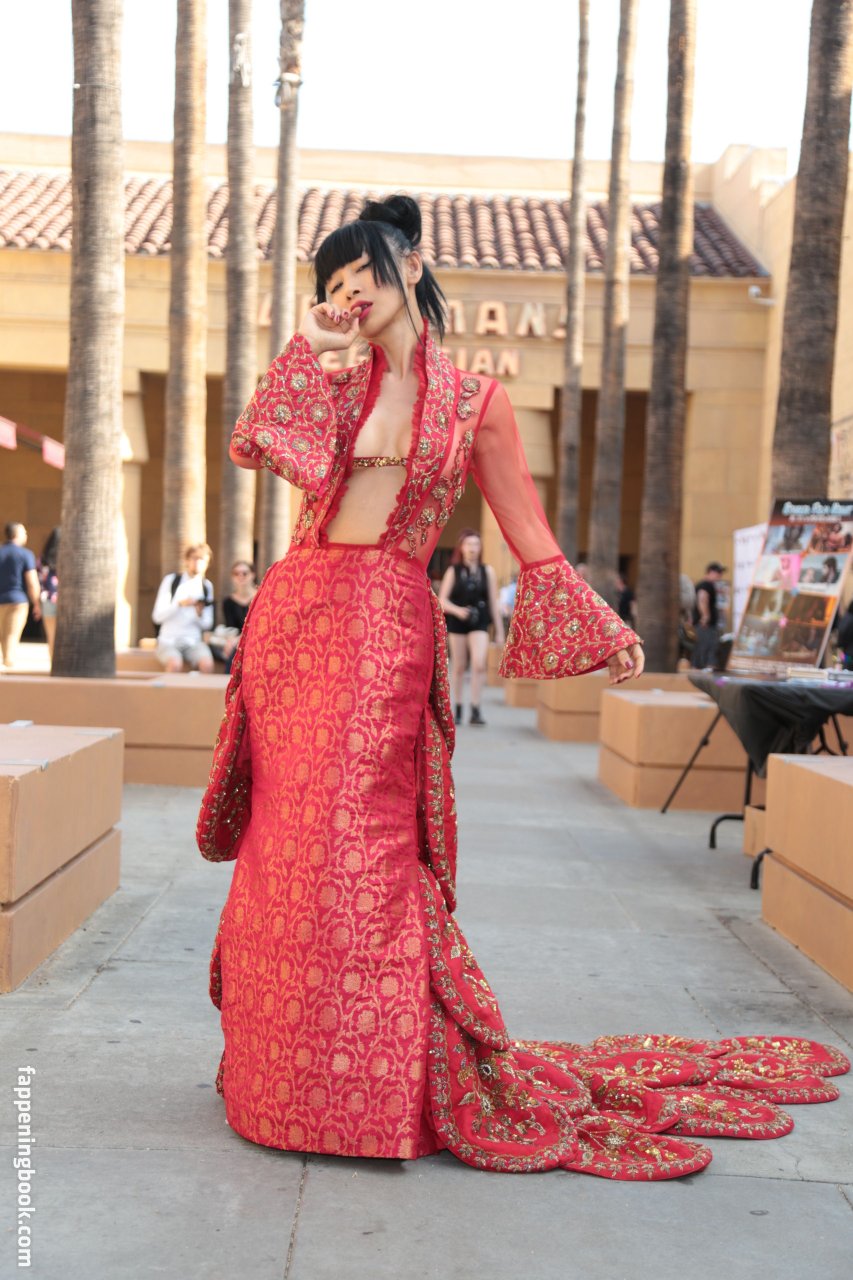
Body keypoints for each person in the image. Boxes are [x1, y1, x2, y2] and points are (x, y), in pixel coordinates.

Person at [197, 196, 846, 1181]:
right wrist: (309, 346)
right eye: (330, 282)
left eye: (360, 271)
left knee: (361, 841)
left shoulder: (476, 402)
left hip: (385, 626)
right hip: (295, 622)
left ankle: (372, 1084)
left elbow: (528, 532)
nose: (347, 292)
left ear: (410, 266)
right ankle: (282, 1074)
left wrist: (603, 628)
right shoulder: (330, 380)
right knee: (289, 846)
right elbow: (261, 446)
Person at [438, 528, 503, 725]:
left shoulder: (487, 571)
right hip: (458, 621)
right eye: (468, 544)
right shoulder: (454, 571)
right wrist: (458, 611)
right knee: (458, 666)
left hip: (479, 621)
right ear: (461, 547)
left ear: (480, 547)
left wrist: (499, 631)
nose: (472, 548)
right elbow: (441, 600)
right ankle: (458, 707)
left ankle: (475, 708)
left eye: (476, 544)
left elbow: (494, 603)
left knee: (479, 664)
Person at [152, 544, 215, 673]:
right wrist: (179, 604)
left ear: (207, 563)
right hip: (168, 641)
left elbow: (207, 624)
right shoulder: (171, 581)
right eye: (194, 558)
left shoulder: (207, 586)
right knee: (175, 664)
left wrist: (199, 614)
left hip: (193, 642)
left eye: (202, 559)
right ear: (186, 560)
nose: (198, 562)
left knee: (207, 665)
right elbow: (157, 617)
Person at [0, 522, 41, 670]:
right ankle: (8, 665)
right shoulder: (26, 554)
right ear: (17, 534)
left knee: (3, 634)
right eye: (24, 532)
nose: (26, 535)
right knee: (11, 635)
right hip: (17, 601)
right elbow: (32, 581)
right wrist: (37, 603)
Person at [217, 560, 257, 674]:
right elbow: (231, 628)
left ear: (252, 575)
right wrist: (232, 641)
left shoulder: (260, 598)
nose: (240, 576)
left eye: (244, 573)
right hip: (236, 642)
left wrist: (238, 640)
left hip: (255, 638)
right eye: (236, 573)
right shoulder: (228, 602)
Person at [691, 561, 724, 669]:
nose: (720, 575)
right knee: (707, 648)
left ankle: (701, 668)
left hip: (703, 624)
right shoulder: (706, 585)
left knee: (703, 648)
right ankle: (704, 670)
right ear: (710, 572)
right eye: (718, 572)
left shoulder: (706, 584)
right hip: (705, 625)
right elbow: (702, 598)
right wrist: (705, 617)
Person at [37, 526, 60, 658]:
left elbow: (39, 579)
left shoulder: (43, 560)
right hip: (67, 599)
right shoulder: (71, 556)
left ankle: (54, 663)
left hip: (48, 599)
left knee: (51, 637)